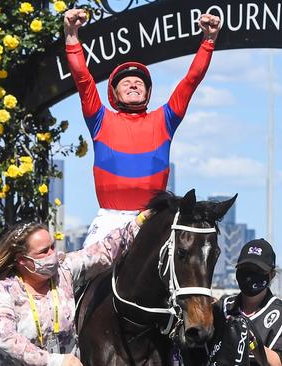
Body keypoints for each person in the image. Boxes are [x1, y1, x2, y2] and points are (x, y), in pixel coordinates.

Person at [63, 8, 222, 246]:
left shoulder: (165, 119)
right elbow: (83, 79)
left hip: (153, 219)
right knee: (82, 274)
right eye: (126, 83)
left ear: (148, 93)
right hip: (110, 221)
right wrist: (71, 34)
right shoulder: (100, 119)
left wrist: (209, 41)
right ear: (114, 93)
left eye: (140, 83)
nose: (134, 85)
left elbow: (191, 80)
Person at [0, 212, 148, 366]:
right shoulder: (0, 292)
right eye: (44, 252)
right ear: (22, 260)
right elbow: (7, 339)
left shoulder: (63, 271)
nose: (52, 254)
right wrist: (54, 361)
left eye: (52, 246)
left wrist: (138, 223)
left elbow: (103, 252)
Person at [214, 239, 282, 366]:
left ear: (272, 275)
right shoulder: (222, 308)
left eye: (258, 270)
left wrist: (251, 340)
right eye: (245, 268)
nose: (249, 275)